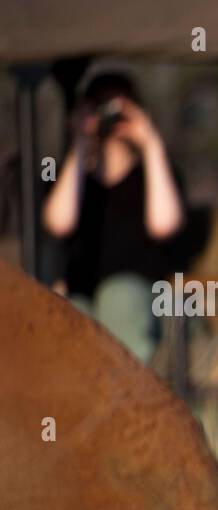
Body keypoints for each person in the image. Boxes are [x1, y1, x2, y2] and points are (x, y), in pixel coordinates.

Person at [43, 73, 187, 362]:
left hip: (138, 293)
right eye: (101, 106)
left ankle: (125, 402)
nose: (110, 116)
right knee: (69, 312)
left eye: (121, 106)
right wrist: (80, 143)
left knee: (120, 296)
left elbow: (165, 225)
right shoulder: (69, 176)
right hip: (81, 291)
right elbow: (59, 222)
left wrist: (150, 143)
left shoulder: (156, 172)